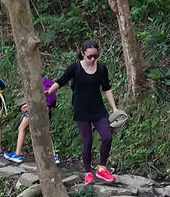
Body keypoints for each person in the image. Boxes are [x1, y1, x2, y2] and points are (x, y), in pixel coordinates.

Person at [46, 39, 118, 185]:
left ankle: (102, 168)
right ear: (82, 54)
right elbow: (61, 81)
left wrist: (115, 108)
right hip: (81, 109)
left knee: (107, 137)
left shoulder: (102, 68)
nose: (92, 59)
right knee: (88, 141)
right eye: (89, 56)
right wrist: (48, 92)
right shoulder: (75, 68)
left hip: (98, 108)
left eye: (95, 56)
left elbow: (106, 88)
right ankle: (88, 173)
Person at [14, 80, 60, 165]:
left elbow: (34, 96)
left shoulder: (32, 80)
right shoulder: (44, 81)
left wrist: (28, 105)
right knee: (44, 131)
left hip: (35, 108)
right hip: (46, 108)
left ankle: (17, 154)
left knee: (22, 128)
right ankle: (54, 156)